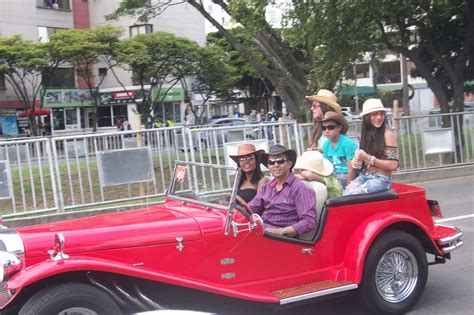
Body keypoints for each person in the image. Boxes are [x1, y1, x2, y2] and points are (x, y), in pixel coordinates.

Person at [248, 145, 316, 237]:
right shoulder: (268, 187)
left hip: (283, 240)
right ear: (268, 166)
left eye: (280, 161)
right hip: (262, 233)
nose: (276, 165)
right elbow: (249, 208)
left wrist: (281, 231)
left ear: (289, 164)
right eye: (271, 162)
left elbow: (309, 221)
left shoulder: (299, 188)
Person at [344, 98, 399, 195]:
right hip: (364, 176)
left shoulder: (387, 134)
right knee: (345, 194)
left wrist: (368, 158)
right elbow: (363, 165)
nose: (379, 117)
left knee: (352, 195)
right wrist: (357, 162)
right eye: (374, 114)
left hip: (381, 179)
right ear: (366, 117)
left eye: (381, 113)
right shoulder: (365, 135)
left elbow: (394, 164)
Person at [320, 112, 358, 188]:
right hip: (333, 175)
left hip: (346, 175)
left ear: (339, 128)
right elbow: (327, 166)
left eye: (330, 127)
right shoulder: (326, 145)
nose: (326, 131)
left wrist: (349, 189)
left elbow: (352, 170)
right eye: (324, 128)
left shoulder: (348, 144)